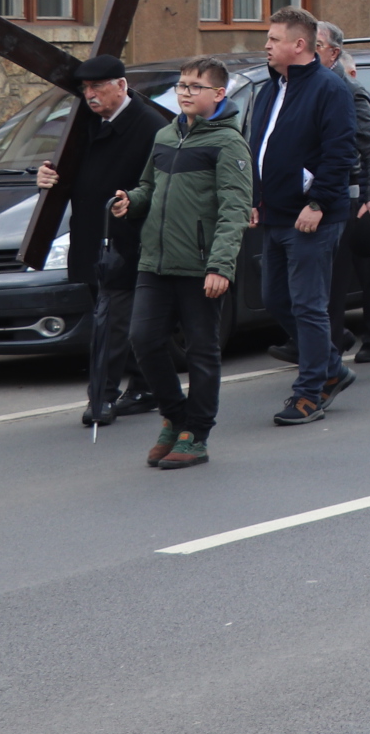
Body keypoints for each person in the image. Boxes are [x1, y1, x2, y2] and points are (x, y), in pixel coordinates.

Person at [116, 55, 248, 471]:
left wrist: (220, 266)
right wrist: (130, 202)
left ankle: (197, 434)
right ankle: (175, 416)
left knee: (201, 352)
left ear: (219, 94)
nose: (186, 93)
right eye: (182, 85)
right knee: (143, 340)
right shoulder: (165, 135)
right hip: (155, 262)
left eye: (195, 86)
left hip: (200, 266)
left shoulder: (228, 143)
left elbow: (234, 209)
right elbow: (148, 187)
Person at [35, 52, 166, 427]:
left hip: (128, 243)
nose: (90, 95)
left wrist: (134, 204)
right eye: (85, 88)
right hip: (90, 238)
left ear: (121, 86)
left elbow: (161, 187)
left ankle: (101, 398)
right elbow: (70, 172)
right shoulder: (85, 123)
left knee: (110, 323)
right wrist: (46, 176)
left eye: (97, 87)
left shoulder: (149, 126)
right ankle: (145, 387)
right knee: (118, 320)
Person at [242, 7, 357, 426]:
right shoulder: (270, 88)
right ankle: (332, 367)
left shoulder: (330, 88)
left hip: (312, 217)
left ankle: (310, 392)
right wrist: (255, 197)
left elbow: (340, 151)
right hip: (275, 215)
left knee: (308, 306)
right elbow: (259, 147)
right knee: (276, 298)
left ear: (299, 44)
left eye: (274, 39)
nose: (267, 46)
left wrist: (319, 202)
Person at [317, 22, 370, 364]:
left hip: (357, 202)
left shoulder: (354, 95)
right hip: (332, 199)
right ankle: (331, 340)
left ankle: (369, 339)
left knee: (364, 274)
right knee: (326, 281)